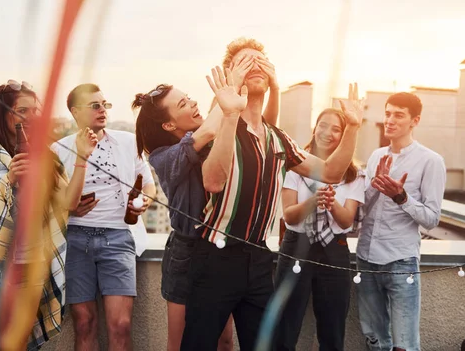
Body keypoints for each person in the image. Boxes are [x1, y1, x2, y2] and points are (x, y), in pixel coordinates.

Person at [181, 38, 363, 351]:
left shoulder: (277, 138)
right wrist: (227, 113)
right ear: (230, 74)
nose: (255, 66)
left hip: (260, 262)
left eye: (261, 61)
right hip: (215, 259)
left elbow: (331, 172)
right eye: (245, 61)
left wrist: (354, 127)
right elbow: (213, 180)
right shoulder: (216, 126)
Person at [133, 61, 279, 351]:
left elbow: (261, 128)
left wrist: (271, 89)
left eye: (190, 97)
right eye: (184, 104)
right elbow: (209, 130)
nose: (194, 103)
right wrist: (233, 88)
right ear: (169, 125)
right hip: (187, 251)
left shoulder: (215, 142)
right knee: (182, 342)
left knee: (225, 338)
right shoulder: (164, 157)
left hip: (218, 251)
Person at [0, 80, 97, 350]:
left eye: (35, 111)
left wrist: (82, 158)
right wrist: (6, 183)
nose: (31, 117)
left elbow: (68, 201)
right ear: (1, 113)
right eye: (22, 111)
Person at [52, 83, 156, 351]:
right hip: (75, 240)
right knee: (84, 323)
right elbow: (54, 200)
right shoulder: (58, 149)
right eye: (94, 105)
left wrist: (143, 200)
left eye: (105, 104)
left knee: (120, 325)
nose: (102, 110)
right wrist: (71, 207)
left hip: (118, 236)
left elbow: (147, 183)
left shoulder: (127, 141)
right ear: (75, 112)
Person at [356, 92, 446, 351]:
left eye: (398, 115)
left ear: (414, 121)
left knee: (405, 345)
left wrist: (401, 196)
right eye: (387, 113)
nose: (390, 120)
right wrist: (375, 185)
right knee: (375, 340)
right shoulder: (375, 157)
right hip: (366, 258)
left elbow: (431, 220)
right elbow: (362, 211)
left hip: (401, 262)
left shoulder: (431, 161)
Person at [274, 108, 365, 351]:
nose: (327, 133)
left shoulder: (355, 175)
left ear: (345, 136)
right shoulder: (295, 164)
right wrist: (313, 201)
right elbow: (289, 215)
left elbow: (346, 221)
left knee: (333, 329)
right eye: (323, 125)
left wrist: (330, 201)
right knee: (286, 325)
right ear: (314, 129)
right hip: (296, 246)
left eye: (337, 129)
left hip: (334, 250)